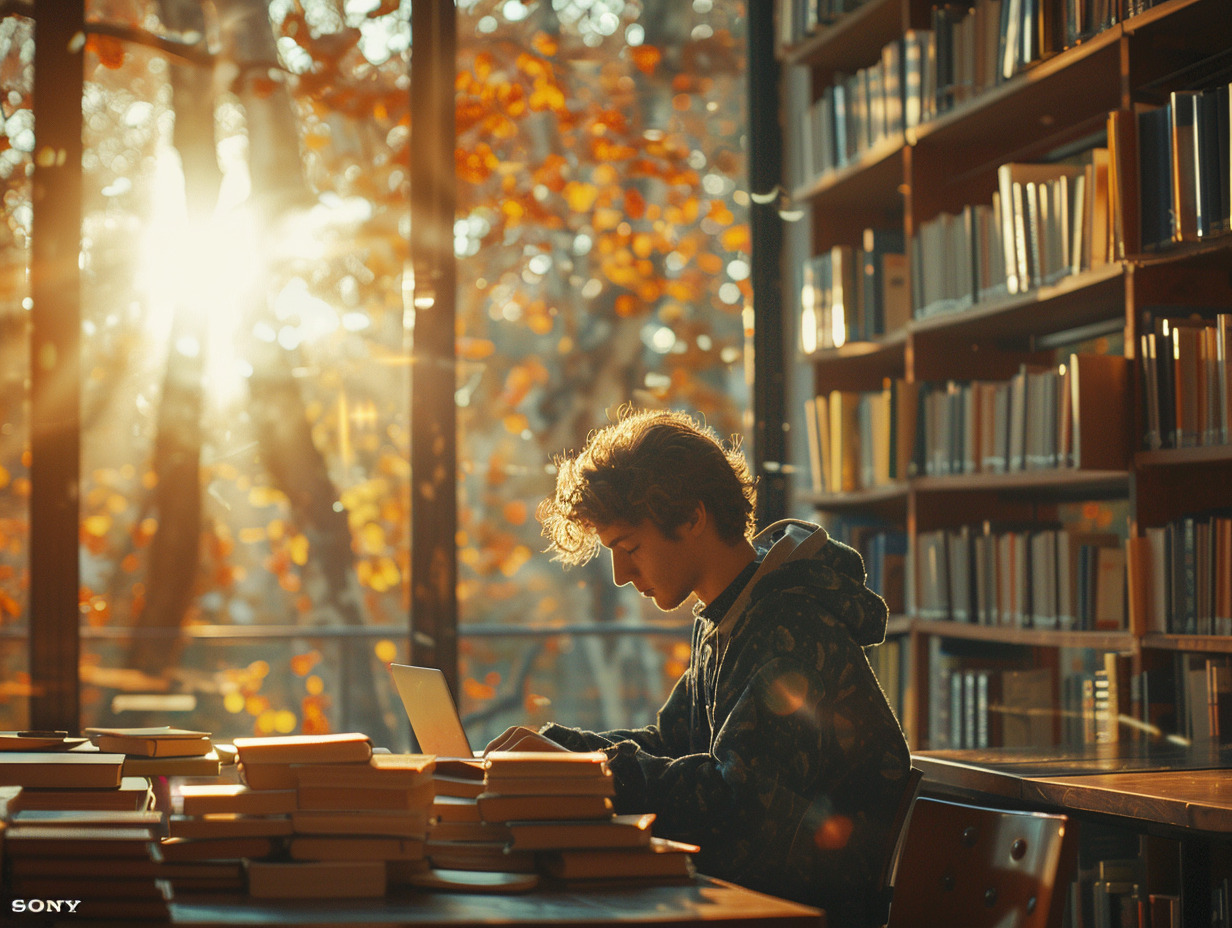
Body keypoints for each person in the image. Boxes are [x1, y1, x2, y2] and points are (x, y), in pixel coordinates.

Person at [486, 406, 911, 926]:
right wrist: (560, 753)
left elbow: (738, 804)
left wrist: (590, 772)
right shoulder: (729, 615)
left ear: (692, 516)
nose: (620, 575)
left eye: (630, 547)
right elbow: (673, 742)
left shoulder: (788, 627)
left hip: (799, 914)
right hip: (751, 900)